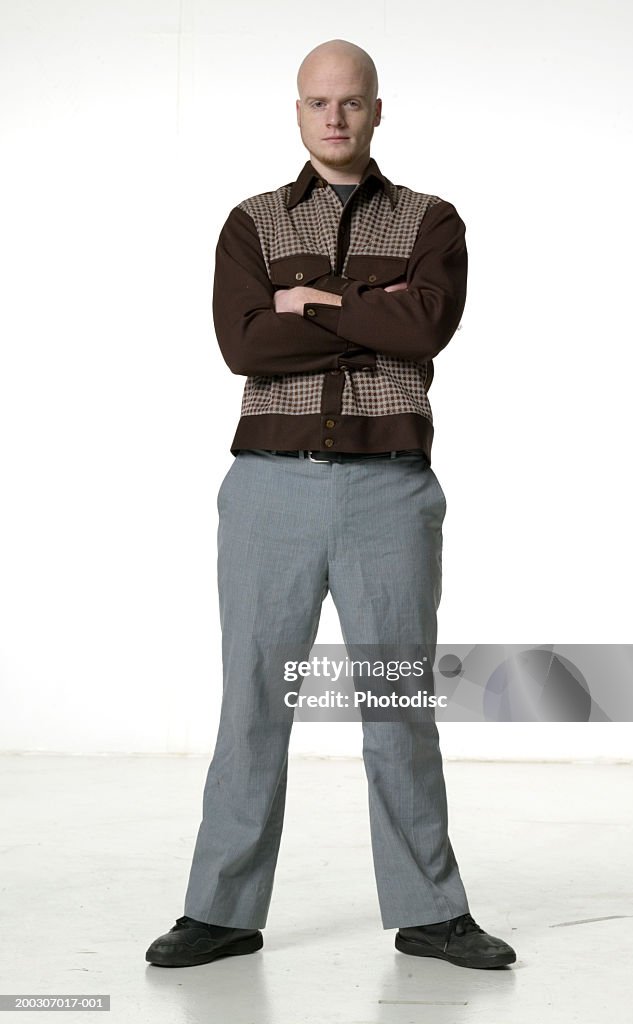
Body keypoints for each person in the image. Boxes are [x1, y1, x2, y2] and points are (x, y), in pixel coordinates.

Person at [145, 38, 516, 972]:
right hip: (269, 485)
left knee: (394, 701)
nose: (335, 118)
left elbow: (424, 326)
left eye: (351, 102)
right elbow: (243, 345)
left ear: (378, 110)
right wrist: (364, 309)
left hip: (389, 486)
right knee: (253, 703)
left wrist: (307, 300)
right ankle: (222, 912)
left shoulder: (432, 219)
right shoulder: (251, 223)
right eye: (318, 103)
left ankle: (430, 911)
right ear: (298, 112)